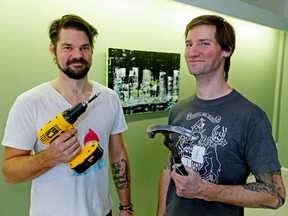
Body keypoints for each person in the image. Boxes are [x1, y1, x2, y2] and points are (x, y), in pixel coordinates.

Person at [2, 14, 134, 216]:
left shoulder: (109, 98)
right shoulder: (29, 103)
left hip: (102, 211)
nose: (77, 55)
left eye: (84, 47)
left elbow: (117, 154)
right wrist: (50, 157)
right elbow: (9, 172)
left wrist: (125, 206)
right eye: (67, 47)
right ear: (52, 50)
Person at [157, 15, 286, 216]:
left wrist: (204, 190)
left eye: (204, 44)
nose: (192, 52)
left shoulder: (251, 117)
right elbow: (169, 167)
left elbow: (275, 195)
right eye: (189, 44)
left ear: (227, 50)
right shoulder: (178, 109)